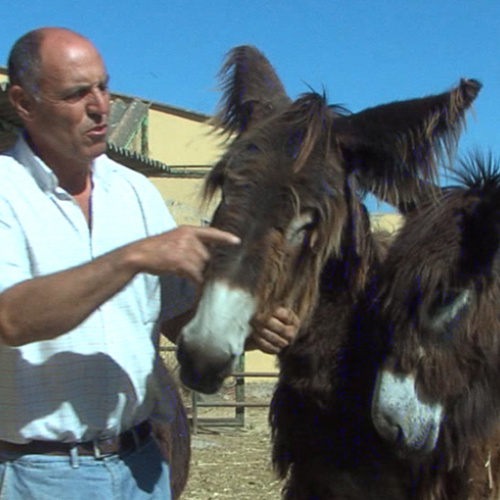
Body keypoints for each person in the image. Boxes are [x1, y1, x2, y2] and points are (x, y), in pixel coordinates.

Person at [0, 27, 299, 499]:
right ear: (24, 103)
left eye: (103, 85)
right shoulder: (6, 192)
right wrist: (134, 257)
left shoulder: (134, 191)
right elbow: (10, 317)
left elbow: (174, 314)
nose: (101, 106)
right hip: (41, 473)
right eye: (78, 94)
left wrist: (243, 324)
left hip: (140, 464)